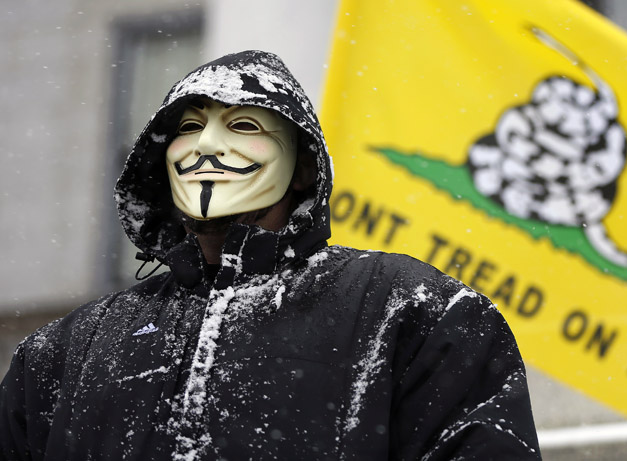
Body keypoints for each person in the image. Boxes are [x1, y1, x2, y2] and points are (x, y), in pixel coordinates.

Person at [0, 51, 541, 460]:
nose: (205, 146)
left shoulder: (411, 311)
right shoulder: (64, 352)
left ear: (303, 168)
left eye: (244, 125)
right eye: (189, 127)